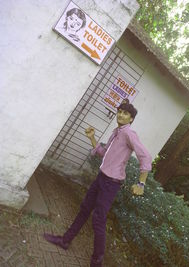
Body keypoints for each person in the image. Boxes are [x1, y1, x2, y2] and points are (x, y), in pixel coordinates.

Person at [44, 99, 152, 267]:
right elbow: (104, 153)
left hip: (112, 183)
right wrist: (92, 138)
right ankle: (65, 240)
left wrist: (141, 183)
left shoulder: (129, 133)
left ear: (131, 119)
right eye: (120, 111)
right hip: (101, 178)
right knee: (85, 209)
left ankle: (97, 262)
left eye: (125, 113)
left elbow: (145, 156)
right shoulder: (116, 132)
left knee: (98, 220)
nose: (121, 114)